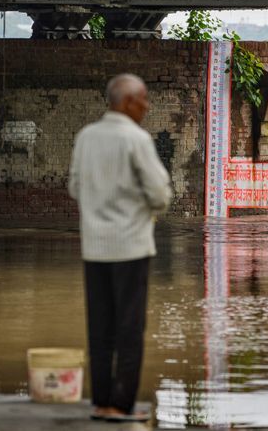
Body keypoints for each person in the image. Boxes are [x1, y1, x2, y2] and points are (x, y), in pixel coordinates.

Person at [68, 73, 172, 422]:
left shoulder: (86, 136)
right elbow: (160, 194)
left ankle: (100, 400)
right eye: (143, 99)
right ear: (127, 102)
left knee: (100, 328)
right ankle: (121, 404)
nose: (147, 105)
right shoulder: (136, 139)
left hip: (94, 248)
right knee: (129, 328)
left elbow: (74, 188)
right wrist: (145, 211)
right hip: (130, 248)